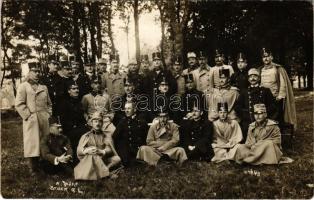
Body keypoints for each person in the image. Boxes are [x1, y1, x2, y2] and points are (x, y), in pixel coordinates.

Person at [15, 62, 52, 175]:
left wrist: (48, 114)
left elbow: (49, 103)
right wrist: (28, 116)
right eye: (34, 71)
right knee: (32, 142)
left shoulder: (43, 87)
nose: (37, 73)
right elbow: (19, 104)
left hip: (44, 117)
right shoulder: (23, 86)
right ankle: (33, 167)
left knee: (44, 140)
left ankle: (43, 164)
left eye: (38, 71)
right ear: (29, 72)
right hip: (31, 118)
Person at [74, 112, 121, 180]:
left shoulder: (106, 136)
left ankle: (103, 171)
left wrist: (101, 151)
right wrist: (86, 151)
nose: (97, 124)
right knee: (92, 157)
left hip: (103, 159)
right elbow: (79, 150)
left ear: (102, 124)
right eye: (95, 121)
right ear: (92, 123)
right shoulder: (86, 136)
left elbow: (110, 149)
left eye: (100, 122)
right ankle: (106, 173)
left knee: (117, 159)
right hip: (91, 161)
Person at [259, 48, 297, 129]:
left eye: (267, 56)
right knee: (263, 118)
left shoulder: (277, 69)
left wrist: (280, 96)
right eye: (263, 57)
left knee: (275, 120)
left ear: (271, 57)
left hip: (275, 99)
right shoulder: (260, 70)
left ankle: (277, 136)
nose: (265, 58)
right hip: (264, 99)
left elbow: (283, 84)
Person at [235, 68, 277, 140]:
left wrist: (264, 114)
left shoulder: (265, 91)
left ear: (259, 78)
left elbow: (273, 106)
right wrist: (245, 114)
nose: (252, 78)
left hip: (263, 122)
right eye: (250, 76)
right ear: (248, 79)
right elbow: (237, 107)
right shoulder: (244, 92)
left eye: (255, 76)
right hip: (248, 121)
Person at [59, 81, 89, 163]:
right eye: (74, 89)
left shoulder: (79, 102)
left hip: (80, 128)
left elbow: (82, 118)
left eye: (77, 88)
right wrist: (74, 127)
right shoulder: (64, 103)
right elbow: (64, 120)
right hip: (70, 130)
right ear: (69, 91)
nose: (76, 90)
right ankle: (77, 160)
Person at [113, 101, 148, 167]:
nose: (126, 111)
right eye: (125, 109)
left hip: (138, 148)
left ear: (134, 109)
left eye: (129, 108)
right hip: (127, 148)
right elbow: (115, 136)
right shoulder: (122, 122)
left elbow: (145, 136)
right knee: (128, 161)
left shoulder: (141, 121)